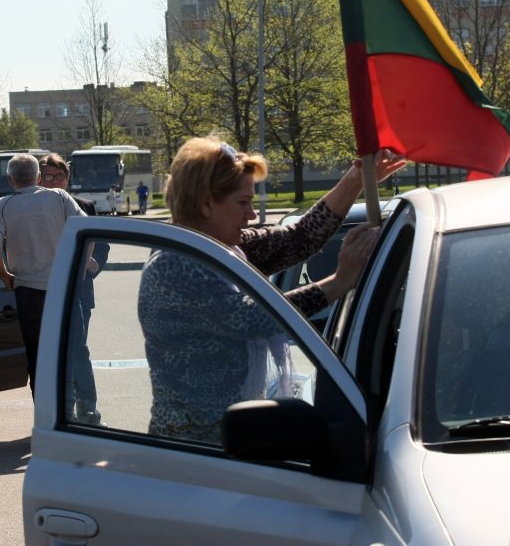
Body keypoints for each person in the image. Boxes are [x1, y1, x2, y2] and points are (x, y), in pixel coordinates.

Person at [138, 136, 405, 442]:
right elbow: (253, 319)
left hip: (229, 438)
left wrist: (356, 179)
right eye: (243, 202)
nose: (251, 215)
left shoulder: (220, 247)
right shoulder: (174, 264)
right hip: (193, 449)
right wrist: (340, 281)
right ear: (206, 203)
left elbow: (299, 238)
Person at [0, 154, 86, 396]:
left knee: (38, 354)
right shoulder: (59, 197)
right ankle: (75, 413)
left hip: (27, 291)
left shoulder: (2, 205)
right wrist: (79, 267)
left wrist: (5, 276)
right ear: (39, 177)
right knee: (73, 350)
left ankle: (44, 414)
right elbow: (86, 227)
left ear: (11, 180)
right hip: (64, 286)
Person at [39, 154, 108, 424]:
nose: (54, 182)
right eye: (48, 177)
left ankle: (87, 410)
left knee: (79, 351)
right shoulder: (31, 209)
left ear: (68, 179)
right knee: (51, 354)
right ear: (38, 179)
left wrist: (96, 263)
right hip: (42, 291)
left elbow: (101, 243)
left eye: (60, 177)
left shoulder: (84, 206)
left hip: (79, 291)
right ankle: (60, 411)